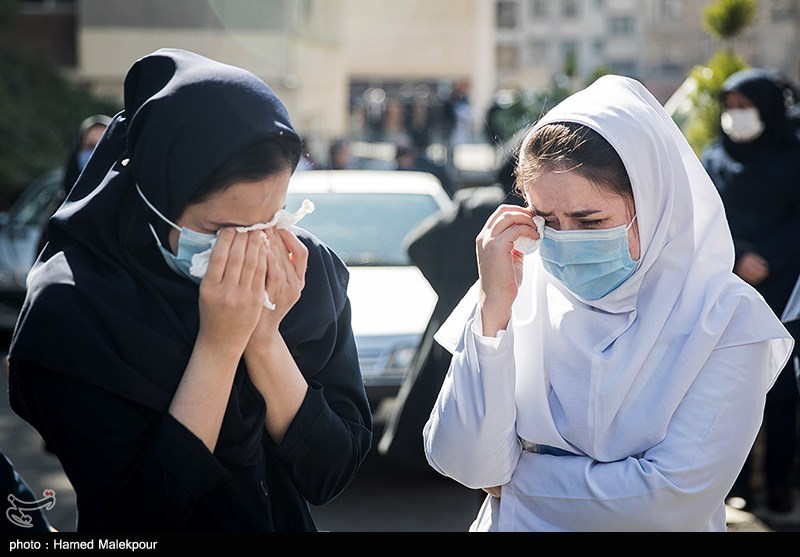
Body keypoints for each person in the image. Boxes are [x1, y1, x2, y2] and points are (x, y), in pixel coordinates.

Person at [6, 48, 372, 532]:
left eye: (271, 218)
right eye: (222, 228)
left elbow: (329, 472)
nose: (251, 248)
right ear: (157, 193)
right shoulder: (74, 307)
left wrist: (263, 339)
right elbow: (137, 520)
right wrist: (219, 348)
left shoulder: (305, 271)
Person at [422, 74, 794, 532]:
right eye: (547, 220)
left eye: (590, 219)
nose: (565, 240)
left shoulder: (727, 319)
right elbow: (463, 461)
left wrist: (518, 482)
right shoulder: (516, 289)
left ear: (654, 204)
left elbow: (666, 502)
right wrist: (491, 311)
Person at [378, 150, 522, 470]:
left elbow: (418, 244)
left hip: (458, 312)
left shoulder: (473, 205)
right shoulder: (528, 214)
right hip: (510, 322)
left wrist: (450, 288)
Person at [700, 68, 800, 515]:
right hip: (730, 282)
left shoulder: (794, 155)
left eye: (746, 107)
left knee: (781, 394)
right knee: (731, 386)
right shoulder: (713, 158)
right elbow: (702, 215)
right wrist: (739, 255)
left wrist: (771, 258)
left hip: (786, 285)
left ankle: (779, 488)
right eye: (730, 107)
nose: (735, 117)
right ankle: (735, 486)